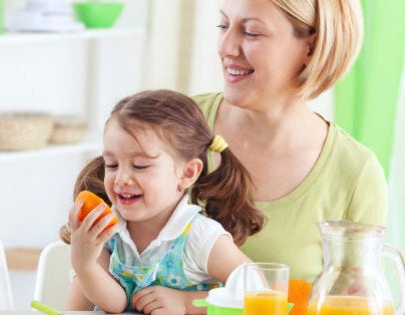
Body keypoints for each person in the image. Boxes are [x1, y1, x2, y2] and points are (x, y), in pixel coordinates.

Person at [196, 0, 387, 282]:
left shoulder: (355, 174)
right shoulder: (167, 125)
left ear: (311, 47)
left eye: (251, 32)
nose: (226, 46)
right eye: (223, 25)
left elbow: (354, 303)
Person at [66, 89, 265, 314]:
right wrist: (84, 265)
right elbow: (116, 302)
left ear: (187, 173)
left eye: (140, 165)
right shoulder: (107, 229)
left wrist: (185, 302)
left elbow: (257, 290)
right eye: (111, 165)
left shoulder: (199, 236)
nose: (121, 178)